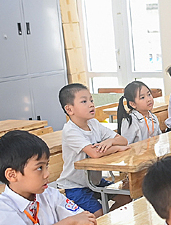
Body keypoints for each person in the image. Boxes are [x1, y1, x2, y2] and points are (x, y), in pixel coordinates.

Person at [0, 130, 98, 225]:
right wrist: (70, 221)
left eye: (46, 166)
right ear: (12, 175)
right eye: (39, 168)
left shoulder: (49, 194)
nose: (47, 174)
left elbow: (88, 222)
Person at [56, 84, 131, 216]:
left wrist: (110, 141)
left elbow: (123, 140)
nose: (91, 105)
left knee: (127, 197)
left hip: (94, 181)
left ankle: (108, 221)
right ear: (69, 109)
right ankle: (105, 221)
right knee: (98, 214)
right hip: (75, 186)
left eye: (91, 100)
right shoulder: (70, 131)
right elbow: (94, 153)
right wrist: (117, 148)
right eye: (84, 101)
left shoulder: (94, 124)